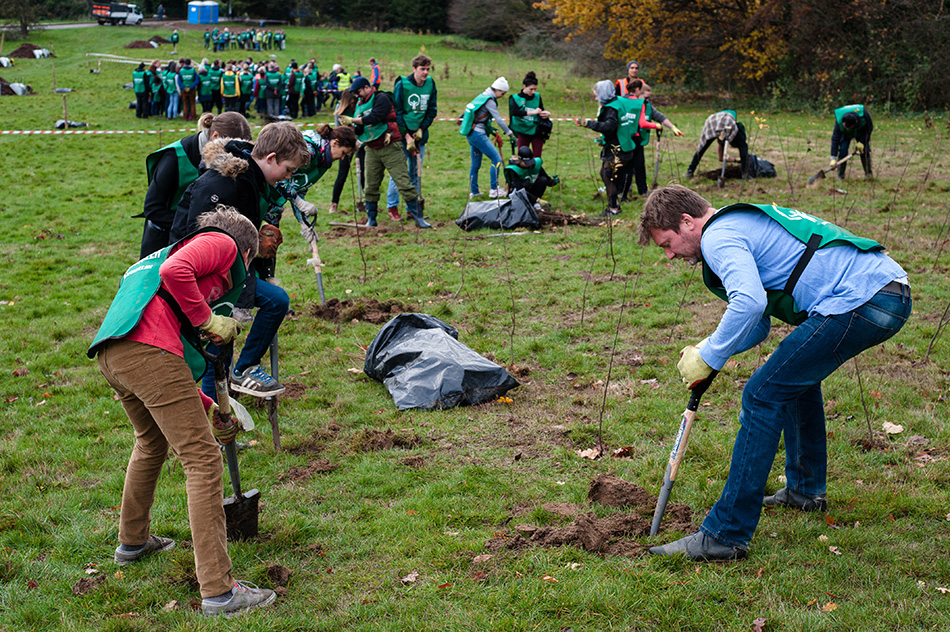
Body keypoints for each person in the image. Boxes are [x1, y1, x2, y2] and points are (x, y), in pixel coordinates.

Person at [639, 185, 911, 561]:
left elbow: (748, 303)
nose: (669, 255)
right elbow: (759, 321)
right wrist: (708, 349)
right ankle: (805, 490)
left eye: (667, 243)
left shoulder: (718, 235)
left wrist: (712, 355)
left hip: (864, 298)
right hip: (885, 292)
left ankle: (726, 534)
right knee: (792, 382)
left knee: (762, 394)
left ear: (687, 222)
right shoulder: (737, 224)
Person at [88, 206, 277, 617]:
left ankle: (133, 542)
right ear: (245, 254)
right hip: (147, 353)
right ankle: (220, 591)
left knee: (151, 443)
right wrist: (206, 316)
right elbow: (178, 273)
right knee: (203, 459)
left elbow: (166, 371)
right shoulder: (222, 242)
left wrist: (210, 407)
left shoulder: (151, 260)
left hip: (115, 353)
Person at [171, 122, 310, 399]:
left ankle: (244, 369)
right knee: (219, 352)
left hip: (232, 270)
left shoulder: (251, 180)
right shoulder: (223, 184)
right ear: (271, 159)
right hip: (206, 276)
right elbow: (197, 235)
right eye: (288, 170)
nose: (287, 177)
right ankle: (216, 425)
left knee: (276, 300)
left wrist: (256, 243)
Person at [139, 112, 252, 258]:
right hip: (163, 242)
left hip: (207, 241)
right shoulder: (174, 158)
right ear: (215, 137)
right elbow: (152, 208)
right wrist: (193, 226)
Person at [339, 76, 430, 228]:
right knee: (370, 186)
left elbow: (376, 117)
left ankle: (419, 218)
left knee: (403, 182)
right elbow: (361, 128)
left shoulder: (382, 98)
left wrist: (353, 121)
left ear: (367, 87)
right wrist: (350, 128)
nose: (357, 95)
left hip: (390, 146)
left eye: (358, 91)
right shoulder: (360, 106)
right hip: (371, 148)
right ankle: (371, 219)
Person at [574, 80, 660, 215]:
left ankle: (613, 208)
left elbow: (610, 127)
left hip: (616, 149)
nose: (596, 98)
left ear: (603, 93)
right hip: (625, 145)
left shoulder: (611, 108)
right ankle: (616, 204)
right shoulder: (619, 101)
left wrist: (588, 124)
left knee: (609, 177)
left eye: (597, 94)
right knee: (606, 174)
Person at [264, 124, 357, 240]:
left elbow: (299, 189)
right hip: (261, 196)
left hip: (273, 207)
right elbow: (277, 177)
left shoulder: (322, 161)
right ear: (335, 143)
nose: (342, 158)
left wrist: (306, 225)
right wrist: (298, 201)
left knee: (269, 248)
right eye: (343, 153)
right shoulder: (309, 151)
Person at [385, 53, 438, 221]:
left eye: (428, 69)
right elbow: (396, 112)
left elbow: (432, 109)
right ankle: (392, 207)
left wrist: (422, 129)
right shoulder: (402, 85)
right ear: (414, 69)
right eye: (422, 69)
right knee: (399, 173)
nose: (425, 73)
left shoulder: (430, 84)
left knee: (415, 172)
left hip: (419, 136)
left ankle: (412, 208)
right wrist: (406, 136)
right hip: (401, 136)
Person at [623, 81, 684, 199]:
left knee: (640, 165)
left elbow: (659, 116)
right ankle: (624, 193)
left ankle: (642, 191)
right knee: (627, 167)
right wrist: (655, 126)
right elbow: (641, 123)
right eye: (645, 97)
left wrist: (672, 127)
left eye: (649, 98)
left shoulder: (646, 105)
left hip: (638, 140)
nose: (647, 100)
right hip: (627, 138)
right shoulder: (630, 103)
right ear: (639, 94)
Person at [461, 77, 515, 199]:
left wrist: (492, 131)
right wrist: (509, 132)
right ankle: (494, 189)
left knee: (475, 164)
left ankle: (474, 191)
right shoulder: (489, 100)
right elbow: (499, 119)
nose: (502, 96)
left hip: (471, 134)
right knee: (496, 158)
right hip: (478, 134)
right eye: (502, 93)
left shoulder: (482, 95)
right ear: (497, 90)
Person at [685, 110, 749, 180]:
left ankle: (690, 171)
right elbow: (720, 157)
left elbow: (721, 154)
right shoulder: (737, 129)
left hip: (710, 122)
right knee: (743, 146)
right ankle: (745, 174)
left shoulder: (726, 117)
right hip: (726, 122)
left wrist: (735, 160)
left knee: (702, 148)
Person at [328, 91, 364, 215]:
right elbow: (339, 130)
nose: (354, 104)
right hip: (346, 144)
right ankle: (334, 204)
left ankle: (364, 201)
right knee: (342, 175)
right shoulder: (340, 109)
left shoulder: (360, 106)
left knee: (363, 173)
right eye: (353, 102)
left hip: (361, 142)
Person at [508, 70, 551, 158]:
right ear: (524, 86)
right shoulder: (516, 98)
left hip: (536, 130)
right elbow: (515, 112)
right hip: (523, 130)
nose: (533, 92)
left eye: (535, 89)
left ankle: (536, 171)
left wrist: (545, 114)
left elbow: (540, 109)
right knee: (522, 157)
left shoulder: (537, 97)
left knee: (537, 158)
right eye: (531, 89)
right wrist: (532, 112)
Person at [830, 104, 873, 179]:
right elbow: (835, 139)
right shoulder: (839, 121)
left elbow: (869, 129)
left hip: (860, 132)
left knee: (864, 150)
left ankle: (868, 174)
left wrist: (862, 142)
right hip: (845, 135)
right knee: (843, 150)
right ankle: (840, 176)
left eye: (849, 127)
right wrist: (833, 157)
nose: (847, 129)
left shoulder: (864, 115)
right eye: (845, 127)